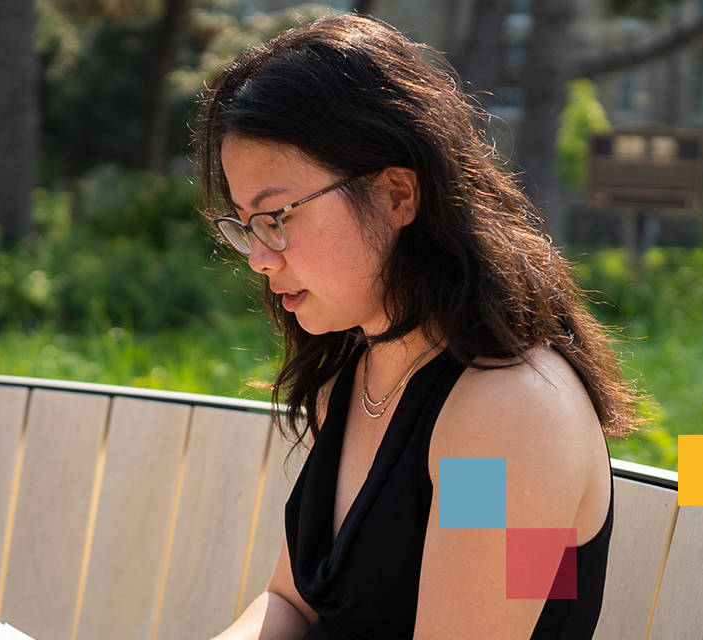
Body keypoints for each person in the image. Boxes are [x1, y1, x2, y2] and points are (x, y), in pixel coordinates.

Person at [197, 14, 647, 640]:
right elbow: (293, 603)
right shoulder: (359, 372)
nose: (260, 256)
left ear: (397, 196)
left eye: (277, 217)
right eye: (246, 224)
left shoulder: (501, 418)